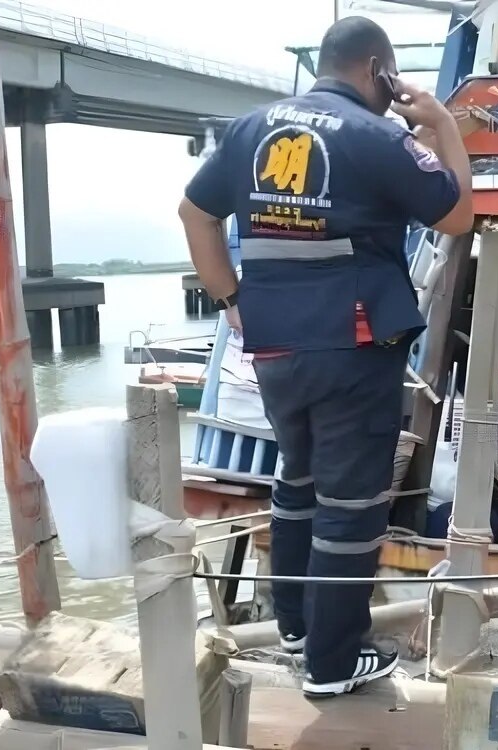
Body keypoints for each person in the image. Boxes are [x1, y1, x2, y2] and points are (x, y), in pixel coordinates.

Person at [177, 16, 473, 699]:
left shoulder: (251, 130)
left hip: (274, 350)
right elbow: (457, 216)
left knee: (297, 484)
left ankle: (296, 630)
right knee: (351, 504)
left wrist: (230, 301)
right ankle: (333, 665)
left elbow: (195, 215)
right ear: (378, 71)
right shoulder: (378, 138)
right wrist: (445, 128)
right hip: (354, 345)